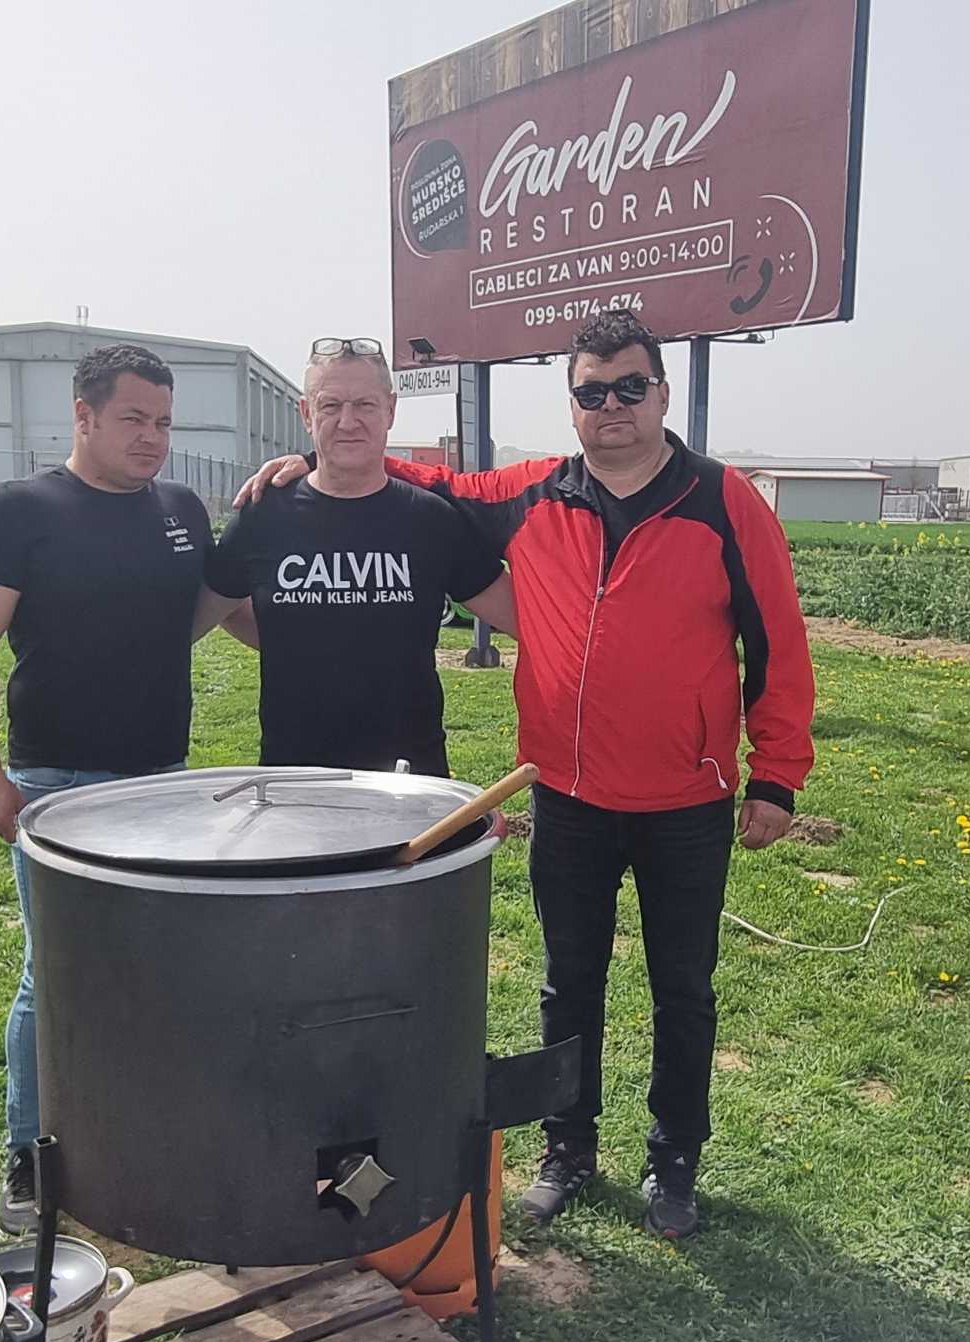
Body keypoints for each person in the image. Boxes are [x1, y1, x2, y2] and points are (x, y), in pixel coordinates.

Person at [238, 311, 815, 1239]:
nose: (611, 405)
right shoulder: (531, 492)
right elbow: (430, 483)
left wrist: (775, 774)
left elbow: (776, 639)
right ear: (571, 402)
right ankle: (566, 1149)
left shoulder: (721, 500)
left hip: (687, 799)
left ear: (661, 394)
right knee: (566, 982)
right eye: (592, 391)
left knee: (683, 989)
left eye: (630, 387)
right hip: (567, 796)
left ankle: (673, 1160)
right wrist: (315, 465)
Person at [0, 343, 213, 1235]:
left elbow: (217, 611)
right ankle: (32, 1160)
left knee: (160, 967)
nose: (152, 438)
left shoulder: (180, 510)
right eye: (133, 418)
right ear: (83, 415)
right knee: (55, 975)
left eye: (163, 422)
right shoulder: (19, 510)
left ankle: (143, 1136)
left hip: (161, 781)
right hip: (56, 785)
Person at [193, 337, 514, 775]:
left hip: (409, 783)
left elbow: (526, 621)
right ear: (306, 414)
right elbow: (210, 609)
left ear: (390, 410)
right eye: (330, 406)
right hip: (296, 781)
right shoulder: (264, 515)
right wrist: (292, 641)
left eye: (365, 405)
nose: (348, 421)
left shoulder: (431, 520)